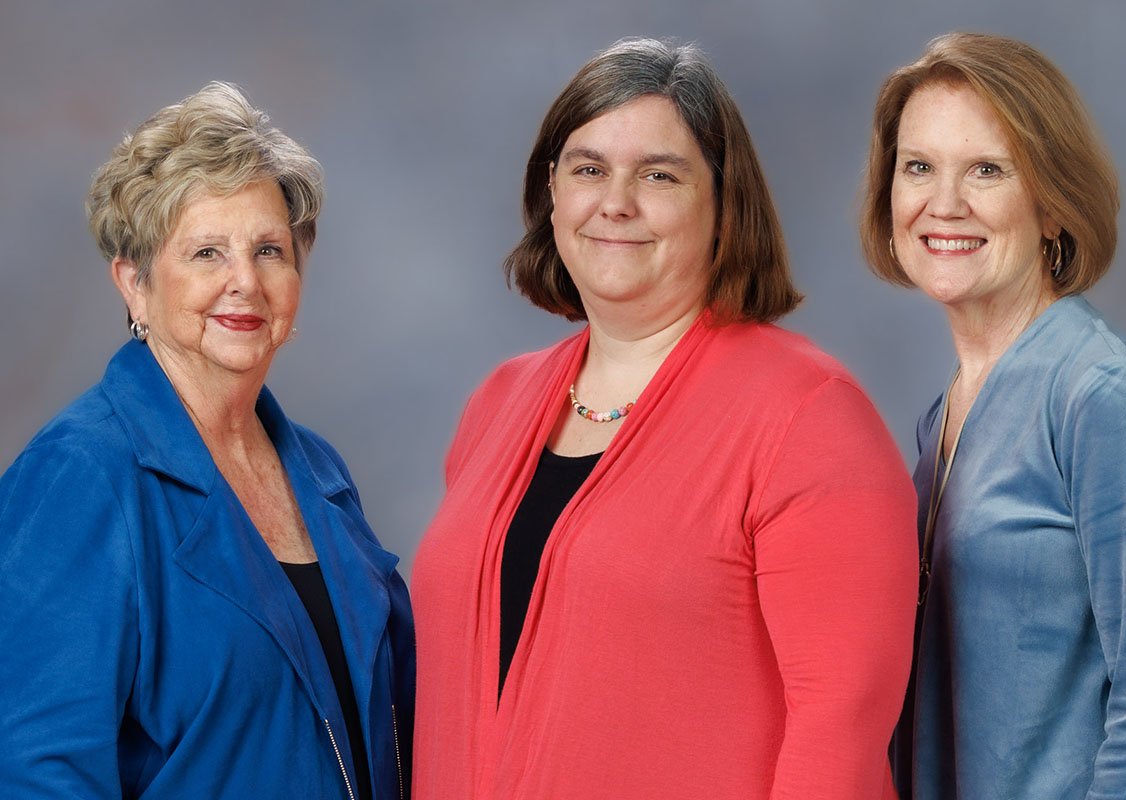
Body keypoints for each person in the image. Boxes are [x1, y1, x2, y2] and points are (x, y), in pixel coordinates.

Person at [412, 37, 916, 799]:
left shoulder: (810, 419)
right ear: (552, 191)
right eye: (588, 170)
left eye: (659, 175)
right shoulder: (498, 404)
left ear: (722, 204)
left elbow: (838, 740)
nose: (615, 202)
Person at [0, 82, 414, 799]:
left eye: (268, 250)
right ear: (135, 283)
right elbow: (34, 773)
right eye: (206, 253)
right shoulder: (78, 478)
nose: (244, 282)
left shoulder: (320, 472)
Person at [860, 32, 1126, 800]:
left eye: (986, 169)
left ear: (1051, 205)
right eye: (919, 167)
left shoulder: (1103, 398)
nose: (943, 203)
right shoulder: (941, 419)